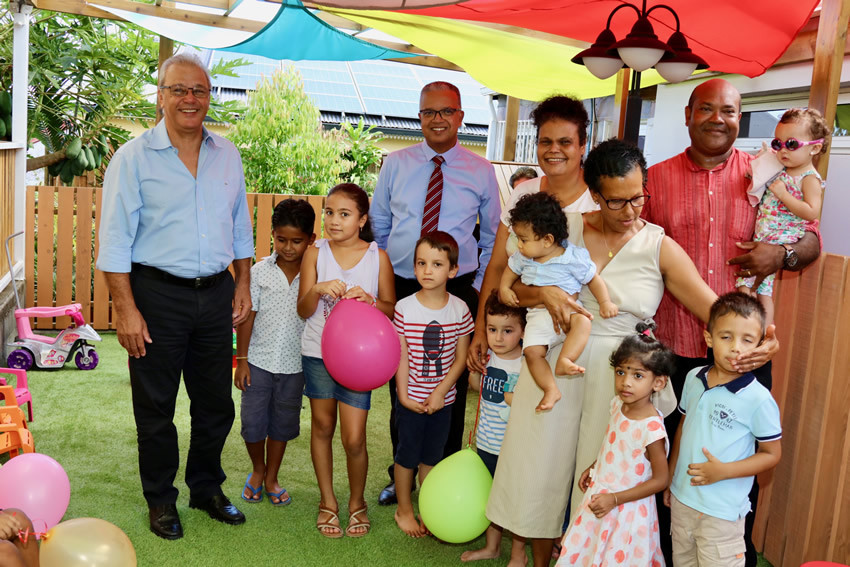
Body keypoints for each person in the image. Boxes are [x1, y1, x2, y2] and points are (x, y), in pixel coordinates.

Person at [485, 138, 718, 567]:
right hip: (557, 357)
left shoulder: (658, 245)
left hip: (621, 376)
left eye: (638, 197)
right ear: (594, 194)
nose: (631, 211)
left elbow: (713, 308)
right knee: (540, 465)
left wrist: (753, 333)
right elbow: (513, 288)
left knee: (601, 474)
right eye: (617, 201)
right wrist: (546, 294)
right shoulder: (565, 227)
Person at [643, 78, 808, 565]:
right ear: (688, 114)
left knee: (740, 466)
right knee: (667, 459)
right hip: (674, 349)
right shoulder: (655, 180)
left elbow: (811, 238)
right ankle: (670, 554)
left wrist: (782, 253)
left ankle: (736, 556)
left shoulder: (770, 175)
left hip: (745, 354)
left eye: (730, 111)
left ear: (740, 117)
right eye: (708, 109)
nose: (719, 118)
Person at [97, 52, 254, 540]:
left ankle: (206, 489)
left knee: (216, 405)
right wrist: (125, 310)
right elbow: (115, 242)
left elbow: (241, 227)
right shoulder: (132, 157)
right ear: (160, 96)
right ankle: (161, 500)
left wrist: (243, 282)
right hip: (155, 296)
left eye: (199, 90)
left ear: (209, 98)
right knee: (156, 407)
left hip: (216, 296)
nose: (190, 99)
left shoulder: (228, 154)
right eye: (179, 90)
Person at [371, 81, 501, 506]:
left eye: (446, 111)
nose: (438, 119)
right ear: (419, 116)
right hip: (407, 284)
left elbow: (493, 234)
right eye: (429, 112)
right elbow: (381, 224)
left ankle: (441, 480)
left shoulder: (481, 170)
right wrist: (394, 276)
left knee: (452, 386)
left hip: (459, 288)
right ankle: (401, 474)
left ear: (461, 116)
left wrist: (477, 288)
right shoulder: (396, 163)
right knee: (403, 383)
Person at [297, 183, 395, 538]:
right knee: (322, 428)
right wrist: (316, 290)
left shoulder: (377, 257)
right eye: (329, 212)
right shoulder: (314, 253)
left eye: (344, 214)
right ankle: (328, 503)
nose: (334, 221)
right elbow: (303, 309)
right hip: (317, 354)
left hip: (360, 362)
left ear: (362, 219)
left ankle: (357, 503)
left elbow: (390, 310)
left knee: (354, 438)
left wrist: (370, 300)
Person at [665, 292, 782, 567]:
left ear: (760, 344)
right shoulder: (693, 379)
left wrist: (723, 471)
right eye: (726, 337)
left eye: (747, 340)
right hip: (683, 502)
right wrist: (671, 479)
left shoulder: (759, 399)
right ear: (709, 339)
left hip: (722, 514)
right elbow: (683, 427)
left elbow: (771, 454)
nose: (736, 348)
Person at [557, 322, 672, 566]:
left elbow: (661, 480)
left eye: (638, 375)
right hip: (602, 496)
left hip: (628, 511)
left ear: (658, 383)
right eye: (621, 372)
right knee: (589, 552)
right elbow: (613, 444)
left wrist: (616, 499)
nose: (626, 382)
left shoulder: (651, 428)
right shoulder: (617, 405)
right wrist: (593, 466)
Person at [500, 191, 616, 411]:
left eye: (523, 239)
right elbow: (509, 271)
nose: (519, 245)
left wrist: (605, 302)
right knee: (532, 353)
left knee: (584, 322)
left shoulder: (572, 256)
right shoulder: (522, 257)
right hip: (537, 316)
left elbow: (593, 279)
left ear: (547, 240)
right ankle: (550, 388)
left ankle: (566, 358)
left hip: (568, 311)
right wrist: (505, 288)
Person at [391, 231, 474, 537]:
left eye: (437, 264)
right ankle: (404, 509)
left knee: (431, 458)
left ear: (453, 270)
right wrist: (403, 395)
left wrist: (440, 392)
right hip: (411, 401)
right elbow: (400, 358)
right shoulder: (403, 308)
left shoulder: (460, 309)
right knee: (406, 457)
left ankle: (427, 508)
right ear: (413, 267)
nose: (427, 270)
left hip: (443, 403)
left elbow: (461, 358)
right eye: (421, 263)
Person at [234, 199, 316, 506]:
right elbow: (247, 316)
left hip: (295, 367)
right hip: (257, 362)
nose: (289, 248)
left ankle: (272, 477)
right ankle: (257, 470)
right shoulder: (259, 272)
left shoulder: (316, 276)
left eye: (297, 241)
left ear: (311, 239)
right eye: (281, 240)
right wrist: (241, 361)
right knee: (253, 423)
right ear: (272, 235)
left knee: (282, 424)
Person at [737, 108, 828, 324]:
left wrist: (783, 194)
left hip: (778, 239)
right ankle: (753, 328)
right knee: (753, 287)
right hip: (765, 236)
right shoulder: (781, 168)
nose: (783, 150)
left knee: (752, 287)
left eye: (792, 144)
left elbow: (811, 211)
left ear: (815, 148)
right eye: (778, 143)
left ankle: (761, 330)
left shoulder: (809, 178)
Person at [461, 291, 526, 566]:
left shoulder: (527, 363)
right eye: (492, 329)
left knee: (515, 500)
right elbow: (480, 389)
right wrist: (474, 371)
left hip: (513, 448)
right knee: (491, 498)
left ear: (523, 331)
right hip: (486, 442)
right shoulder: (489, 357)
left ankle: (518, 554)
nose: (498, 338)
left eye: (507, 330)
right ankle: (492, 547)